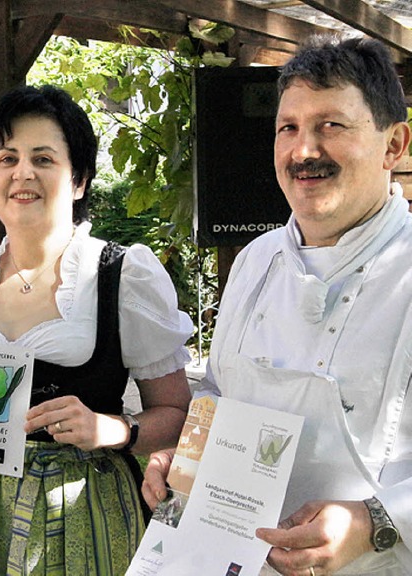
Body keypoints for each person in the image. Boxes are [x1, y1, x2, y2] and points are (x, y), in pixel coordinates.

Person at [0, 84, 193, 575]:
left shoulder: (121, 275)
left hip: (82, 512)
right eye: (6, 158)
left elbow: (177, 412)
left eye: (43, 158)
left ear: (79, 180)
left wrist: (114, 429)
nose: (22, 172)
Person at [143, 35, 412, 576]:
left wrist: (376, 522)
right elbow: (219, 393)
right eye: (288, 128)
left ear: (394, 145)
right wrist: (189, 459)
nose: (304, 151)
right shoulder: (254, 262)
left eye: (331, 125)